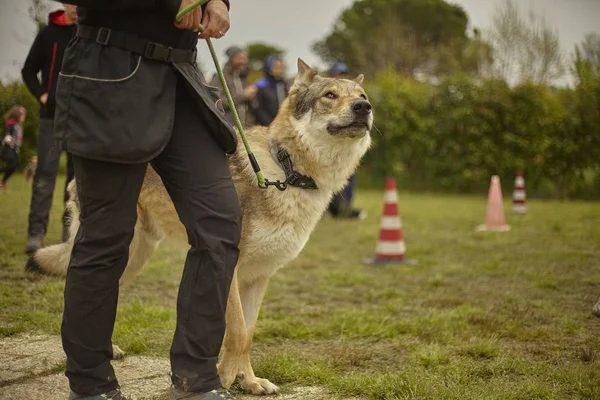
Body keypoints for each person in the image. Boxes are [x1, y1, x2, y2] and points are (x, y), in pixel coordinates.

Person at [46, 1, 241, 399]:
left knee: (219, 223)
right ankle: (89, 384)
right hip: (109, 68)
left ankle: (195, 379)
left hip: (182, 76)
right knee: (107, 236)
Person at [22, 3, 78, 253]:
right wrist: (43, 95)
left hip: (82, 120)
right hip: (51, 119)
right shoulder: (47, 34)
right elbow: (28, 71)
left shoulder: (89, 33)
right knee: (45, 176)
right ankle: (35, 233)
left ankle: (70, 236)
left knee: (77, 181)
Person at [327, 62, 366, 220]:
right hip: (331, 146)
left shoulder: (355, 95)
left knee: (349, 178)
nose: (341, 77)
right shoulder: (328, 93)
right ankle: (334, 209)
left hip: (348, 145)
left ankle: (345, 209)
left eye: (344, 74)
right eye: (338, 74)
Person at [210, 46, 256, 127]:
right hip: (227, 126)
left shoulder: (244, 77)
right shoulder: (220, 77)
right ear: (231, 58)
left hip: (246, 127)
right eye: (240, 58)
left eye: (245, 58)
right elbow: (217, 102)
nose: (244, 62)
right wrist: (244, 96)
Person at [251, 54, 288, 126]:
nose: (279, 69)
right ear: (269, 67)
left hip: (282, 125)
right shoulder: (261, 85)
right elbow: (259, 110)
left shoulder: (283, 85)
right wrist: (271, 125)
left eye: (281, 66)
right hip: (266, 127)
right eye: (276, 66)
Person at [0, 106, 27, 188]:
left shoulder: (18, 125)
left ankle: (3, 182)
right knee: (12, 163)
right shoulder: (10, 123)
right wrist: (8, 139)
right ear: (17, 115)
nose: (24, 117)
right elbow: (7, 133)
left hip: (15, 149)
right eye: (23, 116)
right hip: (8, 148)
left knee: (14, 166)